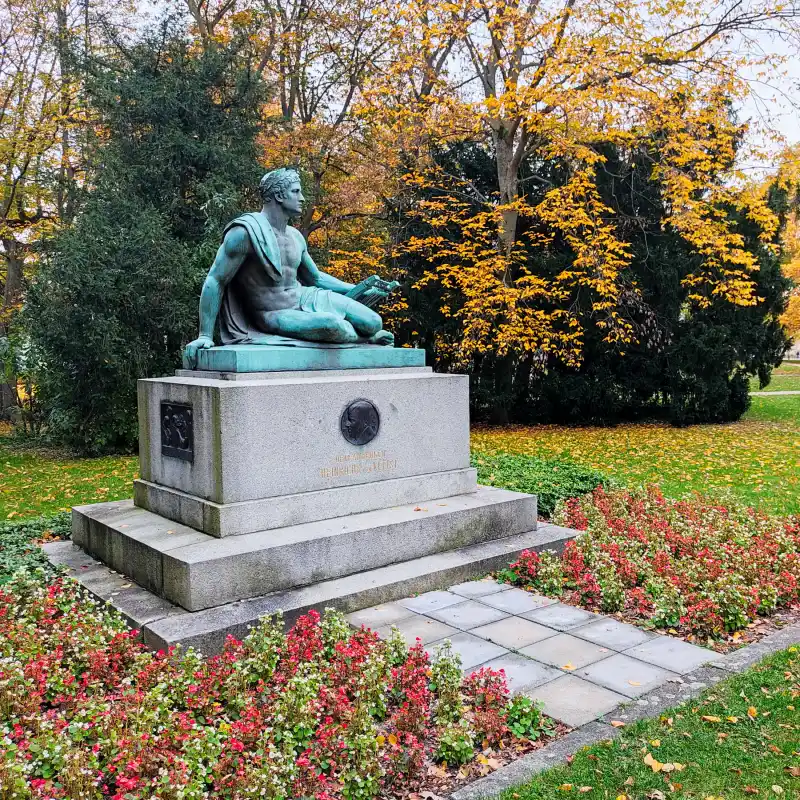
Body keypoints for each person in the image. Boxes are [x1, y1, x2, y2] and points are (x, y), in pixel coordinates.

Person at [183, 168, 395, 368]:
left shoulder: (295, 236)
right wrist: (205, 336)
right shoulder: (245, 233)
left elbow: (316, 278)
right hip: (274, 311)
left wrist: (360, 287)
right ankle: (365, 339)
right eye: (296, 191)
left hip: (304, 296)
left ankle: (368, 333)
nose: (302, 198)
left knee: (373, 321)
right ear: (278, 196)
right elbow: (216, 280)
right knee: (332, 325)